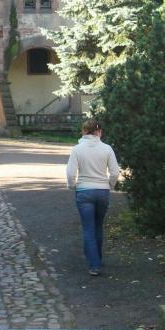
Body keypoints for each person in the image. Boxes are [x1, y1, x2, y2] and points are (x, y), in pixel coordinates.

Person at [66, 118, 120, 276]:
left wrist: (72, 186)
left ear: (83, 131)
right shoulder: (107, 149)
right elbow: (115, 172)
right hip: (102, 191)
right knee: (98, 225)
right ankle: (97, 258)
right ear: (99, 132)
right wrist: (110, 185)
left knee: (88, 228)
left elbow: (71, 173)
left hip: (84, 191)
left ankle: (94, 264)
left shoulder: (77, 149)